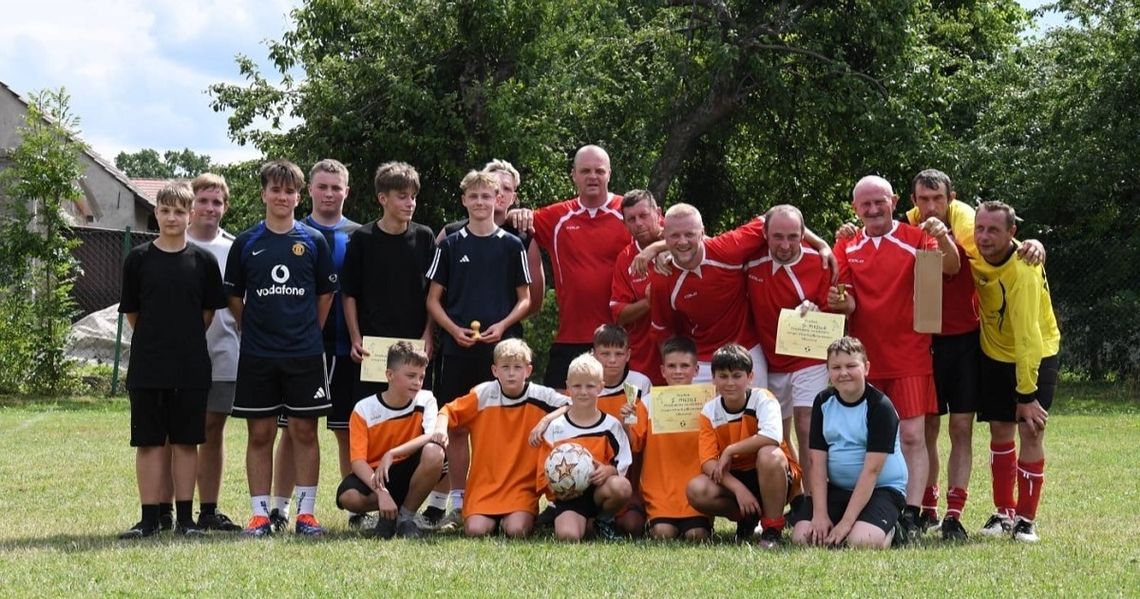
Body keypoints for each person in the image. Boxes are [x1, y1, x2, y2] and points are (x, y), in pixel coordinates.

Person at [903, 170, 1047, 539]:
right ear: (915, 201)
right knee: (934, 429)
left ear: (952, 198)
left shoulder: (967, 228)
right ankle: (935, 509)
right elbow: (877, 224)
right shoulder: (911, 224)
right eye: (923, 198)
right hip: (939, 344)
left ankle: (966, 514)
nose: (930, 205)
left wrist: (1031, 244)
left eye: (938, 198)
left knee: (968, 428)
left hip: (975, 344)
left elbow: (955, 264)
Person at [827, 175, 959, 541]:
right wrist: (840, 302)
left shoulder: (918, 237)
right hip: (862, 362)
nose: (872, 210)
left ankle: (913, 515)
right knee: (861, 440)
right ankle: (873, 509)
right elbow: (847, 299)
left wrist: (944, 236)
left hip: (910, 354)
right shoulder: (847, 246)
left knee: (913, 437)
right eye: (864, 204)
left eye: (879, 202)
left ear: (895, 201)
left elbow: (951, 268)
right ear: (855, 208)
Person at [223, 159, 337, 537]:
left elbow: (324, 296)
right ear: (263, 194)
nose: (282, 197)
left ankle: (306, 515)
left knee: (305, 431)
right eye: (276, 190)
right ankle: (259, 515)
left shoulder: (313, 240)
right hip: (258, 355)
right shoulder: (246, 242)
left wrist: (308, 333)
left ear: (298, 196)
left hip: (304, 354)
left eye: (289, 191)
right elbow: (235, 298)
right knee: (260, 434)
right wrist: (253, 327)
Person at [424, 169, 532, 530]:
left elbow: (526, 299)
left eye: (489, 197)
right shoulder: (451, 244)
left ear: (498, 200)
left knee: (500, 429)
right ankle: (458, 504)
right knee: (457, 428)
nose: (482, 203)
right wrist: (453, 330)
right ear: (465, 201)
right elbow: (433, 300)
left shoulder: (512, 244)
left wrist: (502, 327)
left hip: (502, 355)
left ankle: (501, 500)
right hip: (458, 351)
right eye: (475, 197)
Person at [118, 182, 226, 538]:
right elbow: (133, 314)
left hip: (190, 366)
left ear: (190, 213)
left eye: (179, 211)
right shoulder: (138, 259)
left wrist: (182, 341)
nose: (172, 217)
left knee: (185, 442)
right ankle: (149, 518)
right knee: (148, 442)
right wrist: (157, 340)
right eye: (165, 210)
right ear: (156, 214)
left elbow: (207, 315)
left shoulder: (204, 261)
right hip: (148, 366)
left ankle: (186, 520)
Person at [271, 159, 362, 530]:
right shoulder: (291, 231)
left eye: (335, 187)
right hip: (299, 349)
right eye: (321, 186)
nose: (328, 194)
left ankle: (357, 507)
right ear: (309, 189)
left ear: (346, 191)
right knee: (294, 430)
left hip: (348, 348)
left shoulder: (360, 235)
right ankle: (279, 508)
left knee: (348, 430)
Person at [971, 201, 1060, 543]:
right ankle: (1003, 512)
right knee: (999, 430)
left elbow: (1028, 338)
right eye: (980, 228)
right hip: (994, 354)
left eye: (994, 230)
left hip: (1036, 352)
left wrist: (1027, 395)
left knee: (1031, 429)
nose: (984, 236)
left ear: (1013, 233)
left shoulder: (1023, 269)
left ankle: (1026, 519)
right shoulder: (974, 247)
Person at [433, 339, 568, 538]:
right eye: (505, 367)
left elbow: (573, 406)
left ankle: (517, 515)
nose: (511, 373)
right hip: (485, 484)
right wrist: (440, 429)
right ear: (495, 370)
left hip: (520, 486)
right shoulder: (483, 394)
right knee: (476, 531)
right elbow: (448, 410)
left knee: (516, 530)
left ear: (528, 370)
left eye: (517, 367)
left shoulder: (541, 395)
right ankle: (474, 509)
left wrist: (546, 419)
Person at [522, 145, 631, 390]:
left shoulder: (630, 213)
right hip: (571, 335)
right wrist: (517, 213)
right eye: (585, 171)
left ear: (609, 174)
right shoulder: (557, 216)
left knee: (624, 414)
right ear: (574, 175)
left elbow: (673, 235)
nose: (593, 176)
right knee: (556, 411)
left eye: (599, 171)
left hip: (619, 339)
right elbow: (511, 226)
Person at [790, 337, 908, 549]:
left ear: (866, 368)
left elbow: (872, 471)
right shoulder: (822, 402)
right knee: (802, 538)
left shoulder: (881, 407)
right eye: (836, 367)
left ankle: (894, 528)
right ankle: (844, 521)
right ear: (828, 371)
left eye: (851, 365)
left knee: (860, 542)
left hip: (881, 489)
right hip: (838, 488)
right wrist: (819, 515)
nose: (843, 373)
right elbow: (817, 462)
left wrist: (845, 524)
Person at [745, 204, 832, 487]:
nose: (785, 245)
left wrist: (817, 308)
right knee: (776, 433)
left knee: (807, 425)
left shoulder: (820, 262)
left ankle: (814, 498)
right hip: (769, 360)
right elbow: (698, 243)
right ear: (764, 234)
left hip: (809, 360)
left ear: (803, 234)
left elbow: (837, 309)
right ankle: (796, 492)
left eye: (793, 237)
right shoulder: (749, 261)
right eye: (778, 237)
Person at [686, 344, 801, 548]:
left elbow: (772, 436)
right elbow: (708, 463)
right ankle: (747, 517)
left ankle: (772, 529)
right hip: (736, 477)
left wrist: (731, 450)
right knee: (696, 488)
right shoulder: (709, 411)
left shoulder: (763, 398)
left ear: (750, 377)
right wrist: (739, 489)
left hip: (773, 473)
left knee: (769, 454)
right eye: (723, 376)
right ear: (713, 379)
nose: (730, 383)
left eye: (737, 375)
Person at [335, 341, 446, 539]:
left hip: (410, 469)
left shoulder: (426, 398)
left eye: (421, 377)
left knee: (435, 452)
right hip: (376, 476)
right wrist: (381, 492)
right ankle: (387, 514)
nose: (417, 382)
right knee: (348, 497)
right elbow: (358, 461)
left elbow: (431, 434)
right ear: (389, 375)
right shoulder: (364, 409)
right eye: (411, 376)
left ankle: (406, 518)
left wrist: (392, 453)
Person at [648, 203, 768, 385]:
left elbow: (774, 218)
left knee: (755, 411)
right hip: (701, 360)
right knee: (699, 415)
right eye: (674, 235)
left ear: (702, 233)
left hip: (746, 347)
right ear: (664, 236)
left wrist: (821, 245)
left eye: (689, 234)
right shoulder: (661, 280)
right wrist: (676, 376)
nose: (682, 242)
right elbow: (663, 333)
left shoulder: (728, 248)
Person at [186, 173, 242, 532]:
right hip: (178, 356)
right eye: (203, 200)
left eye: (216, 202)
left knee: (212, 429)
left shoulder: (235, 248)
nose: (209, 208)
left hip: (224, 352)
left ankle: (208, 510)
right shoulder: (173, 242)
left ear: (225, 206)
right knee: (175, 434)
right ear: (191, 204)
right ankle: (169, 510)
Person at [622, 336, 712, 541]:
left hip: (695, 488)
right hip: (660, 489)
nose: (678, 371)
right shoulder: (647, 403)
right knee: (664, 534)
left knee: (696, 535)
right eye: (672, 366)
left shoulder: (707, 403)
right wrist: (627, 421)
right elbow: (634, 444)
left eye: (684, 366)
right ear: (662, 370)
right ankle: (654, 519)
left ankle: (702, 520)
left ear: (696, 370)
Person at [537, 353, 633, 542]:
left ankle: (603, 520)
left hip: (600, 492)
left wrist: (609, 470)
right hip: (568, 497)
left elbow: (624, 460)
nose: (583, 392)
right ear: (567, 388)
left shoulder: (611, 425)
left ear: (601, 387)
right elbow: (544, 470)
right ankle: (567, 518)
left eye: (590, 386)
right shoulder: (556, 427)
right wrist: (559, 489)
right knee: (568, 536)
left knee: (621, 487)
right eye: (577, 386)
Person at [439, 159, 545, 316]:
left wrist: (503, 325)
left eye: (507, 188)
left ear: (514, 197)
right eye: (495, 186)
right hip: (457, 333)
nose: (501, 193)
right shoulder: (450, 234)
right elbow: (433, 293)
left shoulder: (524, 238)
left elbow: (534, 300)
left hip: (505, 336)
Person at [610, 190, 665, 385]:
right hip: (646, 359)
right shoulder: (625, 259)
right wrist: (648, 302)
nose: (639, 223)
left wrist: (657, 248)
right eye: (631, 219)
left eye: (644, 215)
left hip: (690, 355)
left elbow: (704, 245)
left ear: (658, 213)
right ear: (624, 224)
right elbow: (619, 314)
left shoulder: (682, 233)